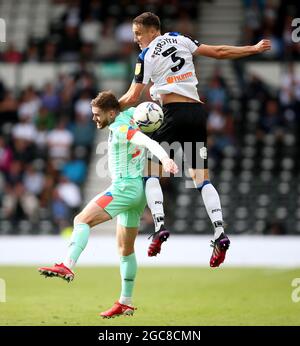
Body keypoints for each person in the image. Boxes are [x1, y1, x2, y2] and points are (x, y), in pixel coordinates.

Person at [118, 12, 271, 267]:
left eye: (138, 33)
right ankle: (219, 233)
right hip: (198, 113)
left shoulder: (146, 56)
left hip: (171, 114)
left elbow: (133, 97)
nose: (136, 39)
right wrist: (253, 48)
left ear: (153, 31)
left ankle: (158, 227)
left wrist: (110, 111)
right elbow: (220, 52)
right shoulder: (180, 39)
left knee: (150, 172)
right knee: (202, 179)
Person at [38, 91, 178, 318]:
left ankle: (67, 265)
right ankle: (126, 301)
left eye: (97, 115)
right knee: (125, 250)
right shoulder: (133, 114)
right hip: (138, 192)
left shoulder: (119, 128)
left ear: (112, 113)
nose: (94, 118)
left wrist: (165, 159)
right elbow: (135, 100)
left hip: (123, 188)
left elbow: (144, 140)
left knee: (80, 220)